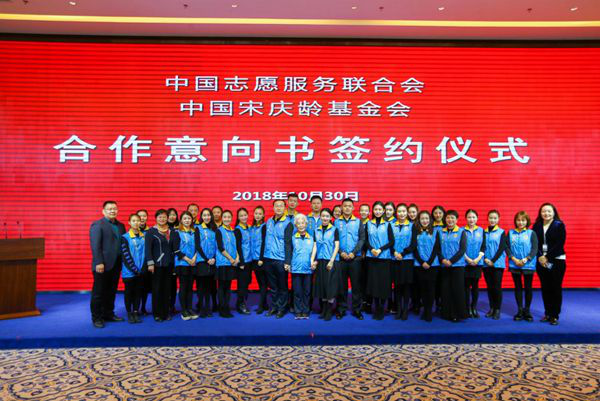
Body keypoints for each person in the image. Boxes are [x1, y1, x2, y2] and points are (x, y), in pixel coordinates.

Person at [89, 200, 126, 328]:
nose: (112, 211)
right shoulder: (97, 225)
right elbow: (95, 246)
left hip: (116, 264)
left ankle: (108, 314)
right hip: (102, 265)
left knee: (111, 291)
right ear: (103, 211)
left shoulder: (121, 226)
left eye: (114, 208)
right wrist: (99, 262)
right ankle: (97, 318)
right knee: (98, 292)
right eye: (109, 209)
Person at [533, 203, 567, 326]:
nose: (546, 213)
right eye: (544, 211)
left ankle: (554, 315)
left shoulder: (559, 225)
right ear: (540, 213)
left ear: (554, 212)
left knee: (555, 287)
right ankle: (547, 313)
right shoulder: (537, 226)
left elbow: (560, 244)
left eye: (549, 211)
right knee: (545, 287)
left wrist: (546, 257)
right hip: (541, 261)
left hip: (556, 260)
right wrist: (540, 256)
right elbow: (534, 243)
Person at [260, 200, 293, 318]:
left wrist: (287, 261)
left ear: (284, 208)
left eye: (281, 206)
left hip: (281, 259)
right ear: (273, 208)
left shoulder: (288, 223)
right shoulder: (268, 221)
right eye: (276, 206)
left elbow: (288, 243)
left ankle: (282, 308)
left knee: (282, 286)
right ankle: (274, 307)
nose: (278, 208)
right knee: (272, 286)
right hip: (268, 258)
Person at [334, 198, 366, 320]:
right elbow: (334, 239)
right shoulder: (336, 222)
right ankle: (341, 309)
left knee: (356, 286)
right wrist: (341, 252)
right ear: (341, 207)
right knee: (341, 286)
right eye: (345, 206)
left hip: (355, 259)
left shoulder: (358, 222)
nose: (347, 208)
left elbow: (362, 239)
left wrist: (354, 252)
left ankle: (357, 310)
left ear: (353, 208)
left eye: (349, 206)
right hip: (341, 259)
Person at [506, 211, 538, 322]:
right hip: (514, 264)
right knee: (518, 287)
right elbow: (507, 247)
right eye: (518, 220)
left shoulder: (531, 233)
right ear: (515, 221)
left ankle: (527, 311)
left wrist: (526, 259)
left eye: (523, 220)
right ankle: (519, 310)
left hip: (528, 264)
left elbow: (535, 248)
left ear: (527, 221)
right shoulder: (510, 233)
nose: (520, 222)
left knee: (528, 287)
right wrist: (514, 259)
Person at [365, 201, 394, 320]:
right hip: (372, 258)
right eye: (375, 209)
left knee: (383, 284)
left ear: (383, 211)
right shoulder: (368, 223)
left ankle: (382, 307)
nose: (377, 211)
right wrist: (372, 249)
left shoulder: (387, 224)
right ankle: (376, 307)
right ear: (373, 210)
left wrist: (380, 250)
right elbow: (365, 240)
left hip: (384, 258)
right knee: (374, 284)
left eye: (380, 209)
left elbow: (391, 241)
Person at [284, 214, 317, 319]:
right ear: (296, 225)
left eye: (303, 223)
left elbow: (315, 253)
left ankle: (306, 310)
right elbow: (289, 252)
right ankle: (298, 311)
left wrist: (315, 262)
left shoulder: (311, 238)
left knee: (307, 292)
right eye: (299, 223)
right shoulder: (293, 238)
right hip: (296, 269)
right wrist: (288, 263)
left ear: (306, 224)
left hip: (308, 269)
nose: (301, 225)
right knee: (297, 292)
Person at [438, 210, 468, 322]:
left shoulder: (461, 232)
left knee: (457, 290)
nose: (450, 220)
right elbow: (437, 248)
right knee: (445, 290)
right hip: (444, 266)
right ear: (445, 219)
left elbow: (462, 250)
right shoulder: (440, 232)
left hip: (457, 266)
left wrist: (451, 261)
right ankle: (446, 313)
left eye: (452, 218)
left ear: (456, 220)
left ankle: (457, 314)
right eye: (448, 218)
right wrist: (443, 260)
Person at [145, 209, 174, 322]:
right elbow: (148, 249)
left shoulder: (172, 231)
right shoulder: (151, 231)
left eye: (164, 217)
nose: (162, 219)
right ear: (156, 218)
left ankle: (165, 313)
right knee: (157, 289)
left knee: (167, 289)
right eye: (160, 217)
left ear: (167, 218)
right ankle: (157, 314)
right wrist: (150, 263)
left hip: (169, 264)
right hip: (156, 265)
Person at [412, 210, 441, 322]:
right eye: (422, 218)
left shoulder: (436, 231)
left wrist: (429, 262)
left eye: (426, 218)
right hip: (419, 265)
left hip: (433, 265)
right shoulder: (415, 231)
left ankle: (429, 311)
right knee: (422, 289)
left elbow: (436, 248)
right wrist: (421, 262)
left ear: (430, 220)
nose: (424, 221)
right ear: (419, 220)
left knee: (431, 289)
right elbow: (414, 248)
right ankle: (424, 310)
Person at [314, 208, 341, 321]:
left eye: (327, 216)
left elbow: (337, 246)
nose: (325, 218)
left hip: (331, 261)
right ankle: (324, 309)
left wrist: (331, 260)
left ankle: (329, 310)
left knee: (330, 287)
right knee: (322, 286)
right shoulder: (317, 230)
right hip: (321, 260)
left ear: (330, 218)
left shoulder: (334, 229)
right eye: (323, 216)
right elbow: (315, 246)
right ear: (320, 217)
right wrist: (313, 260)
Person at [390, 203, 416, 320]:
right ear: (396, 213)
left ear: (407, 213)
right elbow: (389, 241)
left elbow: (414, 244)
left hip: (407, 260)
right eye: (399, 211)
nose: (401, 214)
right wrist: (395, 252)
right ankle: (398, 309)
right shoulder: (391, 225)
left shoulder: (412, 226)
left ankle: (405, 309)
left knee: (406, 286)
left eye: (404, 211)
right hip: (394, 259)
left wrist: (403, 253)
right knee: (397, 285)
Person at [172, 211, 199, 320]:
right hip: (182, 263)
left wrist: (194, 259)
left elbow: (198, 247)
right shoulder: (176, 232)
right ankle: (184, 310)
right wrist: (188, 259)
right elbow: (175, 249)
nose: (187, 220)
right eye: (185, 218)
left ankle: (189, 308)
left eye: (189, 218)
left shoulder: (195, 232)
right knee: (183, 287)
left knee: (190, 287)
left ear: (192, 220)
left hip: (193, 263)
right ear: (181, 220)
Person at [121, 213, 146, 324]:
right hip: (129, 272)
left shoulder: (144, 236)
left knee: (138, 293)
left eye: (138, 221)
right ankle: (129, 312)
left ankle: (136, 311)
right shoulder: (125, 237)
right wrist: (134, 269)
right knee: (129, 293)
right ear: (129, 223)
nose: (136, 223)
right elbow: (125, 256)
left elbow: (146, 254)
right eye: (134, 221)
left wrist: (143, 268)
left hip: (141, 271)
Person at [215, 210, 240, 318]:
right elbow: (220, 248)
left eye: (229, 217)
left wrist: (237, 258)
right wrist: (230, 259)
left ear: (231, 218)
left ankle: (226, 307)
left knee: (228, 287)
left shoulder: (233, 231)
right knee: (221, 287)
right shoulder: (219, 230)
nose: (227, 219)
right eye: (225, 217)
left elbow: (236, 247)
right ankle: (222, 309)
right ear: (222, 218)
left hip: (232, 263)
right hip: (223, 263)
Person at [482, 210, 507, 320]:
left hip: (497, 264)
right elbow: (482, 247)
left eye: (495, 218)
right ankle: (491, 308)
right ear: (487, 219)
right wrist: (485, 259)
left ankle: (497, 309)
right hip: (486, 263)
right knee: (489, 286)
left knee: (497, 287)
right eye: (491, 218)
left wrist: (493, 260)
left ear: (498, 219)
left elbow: (501, 248)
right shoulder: (483, 232)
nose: (492, 220)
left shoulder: (501, 232)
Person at [463, 209, 486, 318]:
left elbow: (483, 246)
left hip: (478, 262)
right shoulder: (462, 231)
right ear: (466, 218)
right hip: (465, 263)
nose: (471, 219)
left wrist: (478, 259)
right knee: (466, 287)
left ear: (477, 218)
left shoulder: (481, 231)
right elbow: (460, 247)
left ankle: (474, 307)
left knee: (475, 286)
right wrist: (467, 259)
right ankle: (467, 308)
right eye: (469, 217)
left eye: (473, 217)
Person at [195, 208, 217, 317]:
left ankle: (208, 308)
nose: (207, 217)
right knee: (201, 287)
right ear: (201, 217)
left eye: (208, 215)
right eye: (204, 215)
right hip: (202, 261)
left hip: (212, 261)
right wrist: (206, 259)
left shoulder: (214, 229)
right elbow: (197, 246)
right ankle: (201, 308)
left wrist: (213, 258)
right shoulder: (198, 228)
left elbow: (217, 245)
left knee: (209, 287)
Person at [250, 206, 268, 314]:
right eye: (256, 213)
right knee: (260, 283)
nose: (257, 215)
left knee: (263, 283)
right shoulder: (252, 227)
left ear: (263, 215)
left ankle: (261, 306)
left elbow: (264, 243)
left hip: (261, 260)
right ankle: (265, 304)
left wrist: (261, 258)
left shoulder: (264, 226)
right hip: (253, 259)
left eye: (260, 214)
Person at [234, 208, 252, 315]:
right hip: (243, 262)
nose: (244, 217)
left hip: (250, 260)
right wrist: (241, 262)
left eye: (245, 215)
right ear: (238, 217)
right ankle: (240, 305)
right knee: (242, 284)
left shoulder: (249, 227)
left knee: (247, 282)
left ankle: (242, 302)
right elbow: (238, 247)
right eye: (241, 215)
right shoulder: (237, 230)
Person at [136, 209, 152, 316]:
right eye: (140, 216)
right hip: (136, 265)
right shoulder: (132, 232)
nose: (142, 218)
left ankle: (143, 308)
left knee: (145, 288)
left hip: (147, 264)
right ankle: (135, 309)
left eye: (144, 216)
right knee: (136, 288)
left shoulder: (150, 231)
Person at [407, 203, 422, 314]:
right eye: (410, 212)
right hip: (408, 258)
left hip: (418, 257)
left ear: (417, 212)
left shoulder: (421, 224)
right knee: (410, 283)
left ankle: (417, 303)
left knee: (418, 283)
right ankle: (413, 302)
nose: (411, 214)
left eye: (414, 212)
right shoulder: (406, 224)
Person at [358, 203, 371, 314]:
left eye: (366, 210)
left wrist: (365, 251)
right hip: (358, 256)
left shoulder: (371, 224)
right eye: (362, 210)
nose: (363, 212)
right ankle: (361, 302)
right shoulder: (356, 223)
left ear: (369, 212)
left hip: (369, 255)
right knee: (360, 280)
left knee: (368, 279)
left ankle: (368, 303)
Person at [166, 207, 179, 314]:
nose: (172, 216)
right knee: (166, 285)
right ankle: (165, 306)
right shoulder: (163, 228)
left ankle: (172, 305)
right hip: (166, 261)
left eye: (174, 214)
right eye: (170, 214)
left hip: (177, 260)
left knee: (174, 285)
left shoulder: (180, 227)